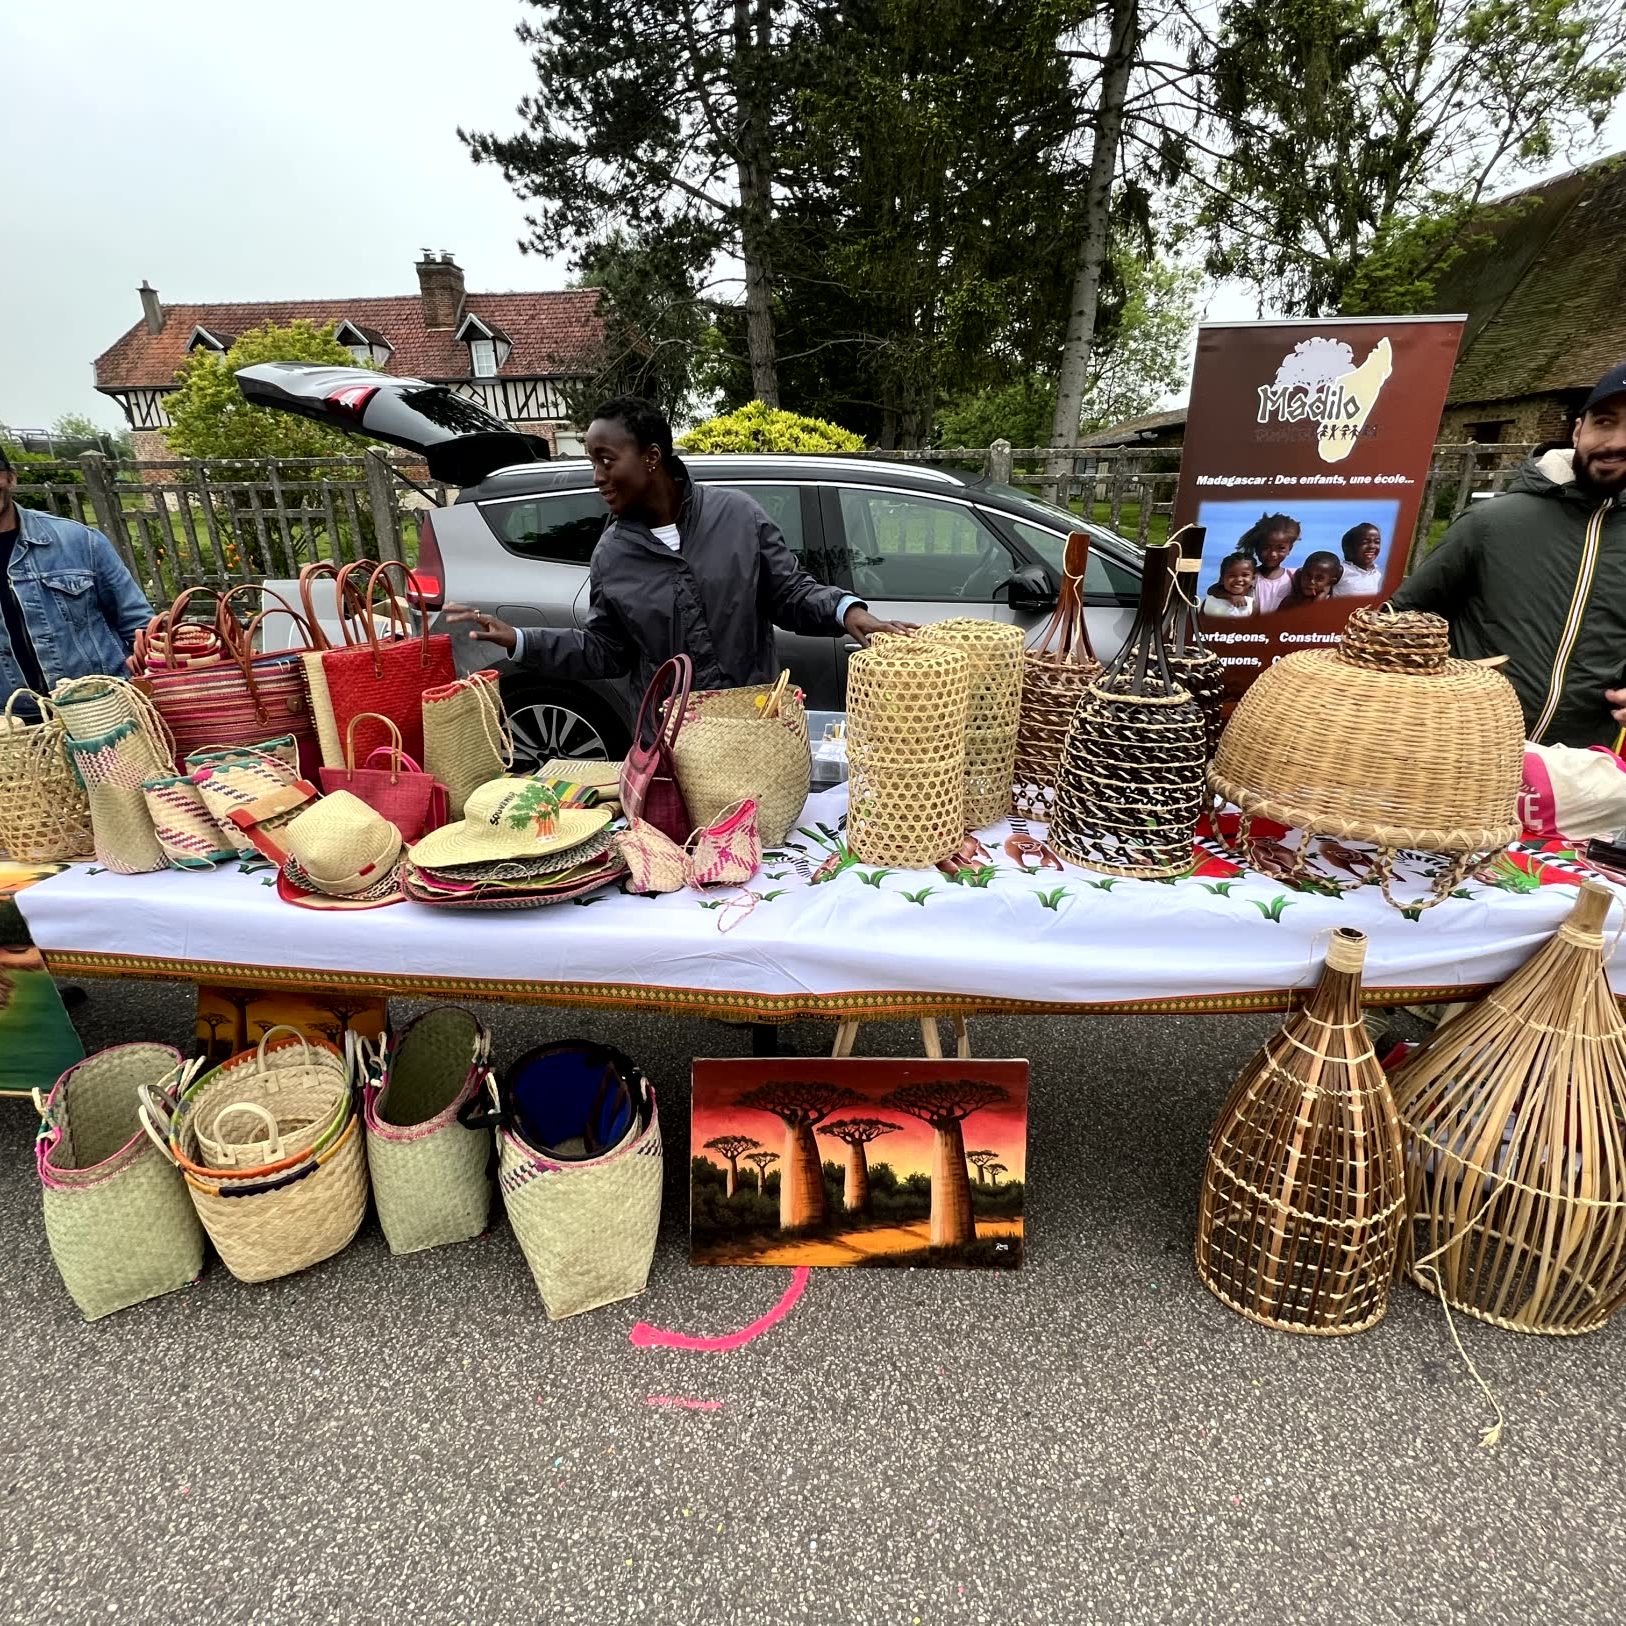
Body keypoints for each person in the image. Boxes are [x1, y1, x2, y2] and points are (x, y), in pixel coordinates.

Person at [445, 398, 911, 697]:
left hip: (752, 729)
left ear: (651, 457)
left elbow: (789, 594)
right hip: (672, 744)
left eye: (606, 460)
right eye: (592, 462)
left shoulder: (738, 517)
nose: (597, 476)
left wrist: (847, 612)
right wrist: (521, 640)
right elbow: (607, 651)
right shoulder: (612, 555)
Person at [1393, 362, 1626, 748]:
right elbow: (1400, 620)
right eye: (1604, 422)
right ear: (1577, 430)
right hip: (1462, 752)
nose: (1617, 441)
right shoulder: (1491, 522)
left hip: (1581, 767)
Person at [0, 445, 152, 708]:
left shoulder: (79, 541)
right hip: (12, 722)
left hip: (102, 707)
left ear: (11, 477)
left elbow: (139, 626)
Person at [1238, 512, 1301, 613]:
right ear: (1256, 548)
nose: (1273, 554)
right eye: (1266, 547)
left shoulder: (1294, 577)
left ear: (1290, 549)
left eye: (1281, 548)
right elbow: (1217, 589)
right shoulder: (1248, 576)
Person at [1332, 522, 1385, 597]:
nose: (1372, 546)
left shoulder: (1380, 574)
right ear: (1350, 547)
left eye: (1377, 542)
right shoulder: (1341, 571)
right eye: (1365, 542)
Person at [1276, 550, 1343, 607]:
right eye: (1307, 575)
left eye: (1319, 578)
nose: (1311, 581)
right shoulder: (1289, 603)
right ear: (1301, 574)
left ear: (1331, 582)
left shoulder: (1333, 606)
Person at [1201, 552, 1256, 617]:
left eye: (1245, 575)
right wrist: (1232, 596)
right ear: (1222, 579)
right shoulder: (1211, 600)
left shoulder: (1251, 604)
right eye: (1232, 575)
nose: (1239, 579)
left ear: (1253, 578)